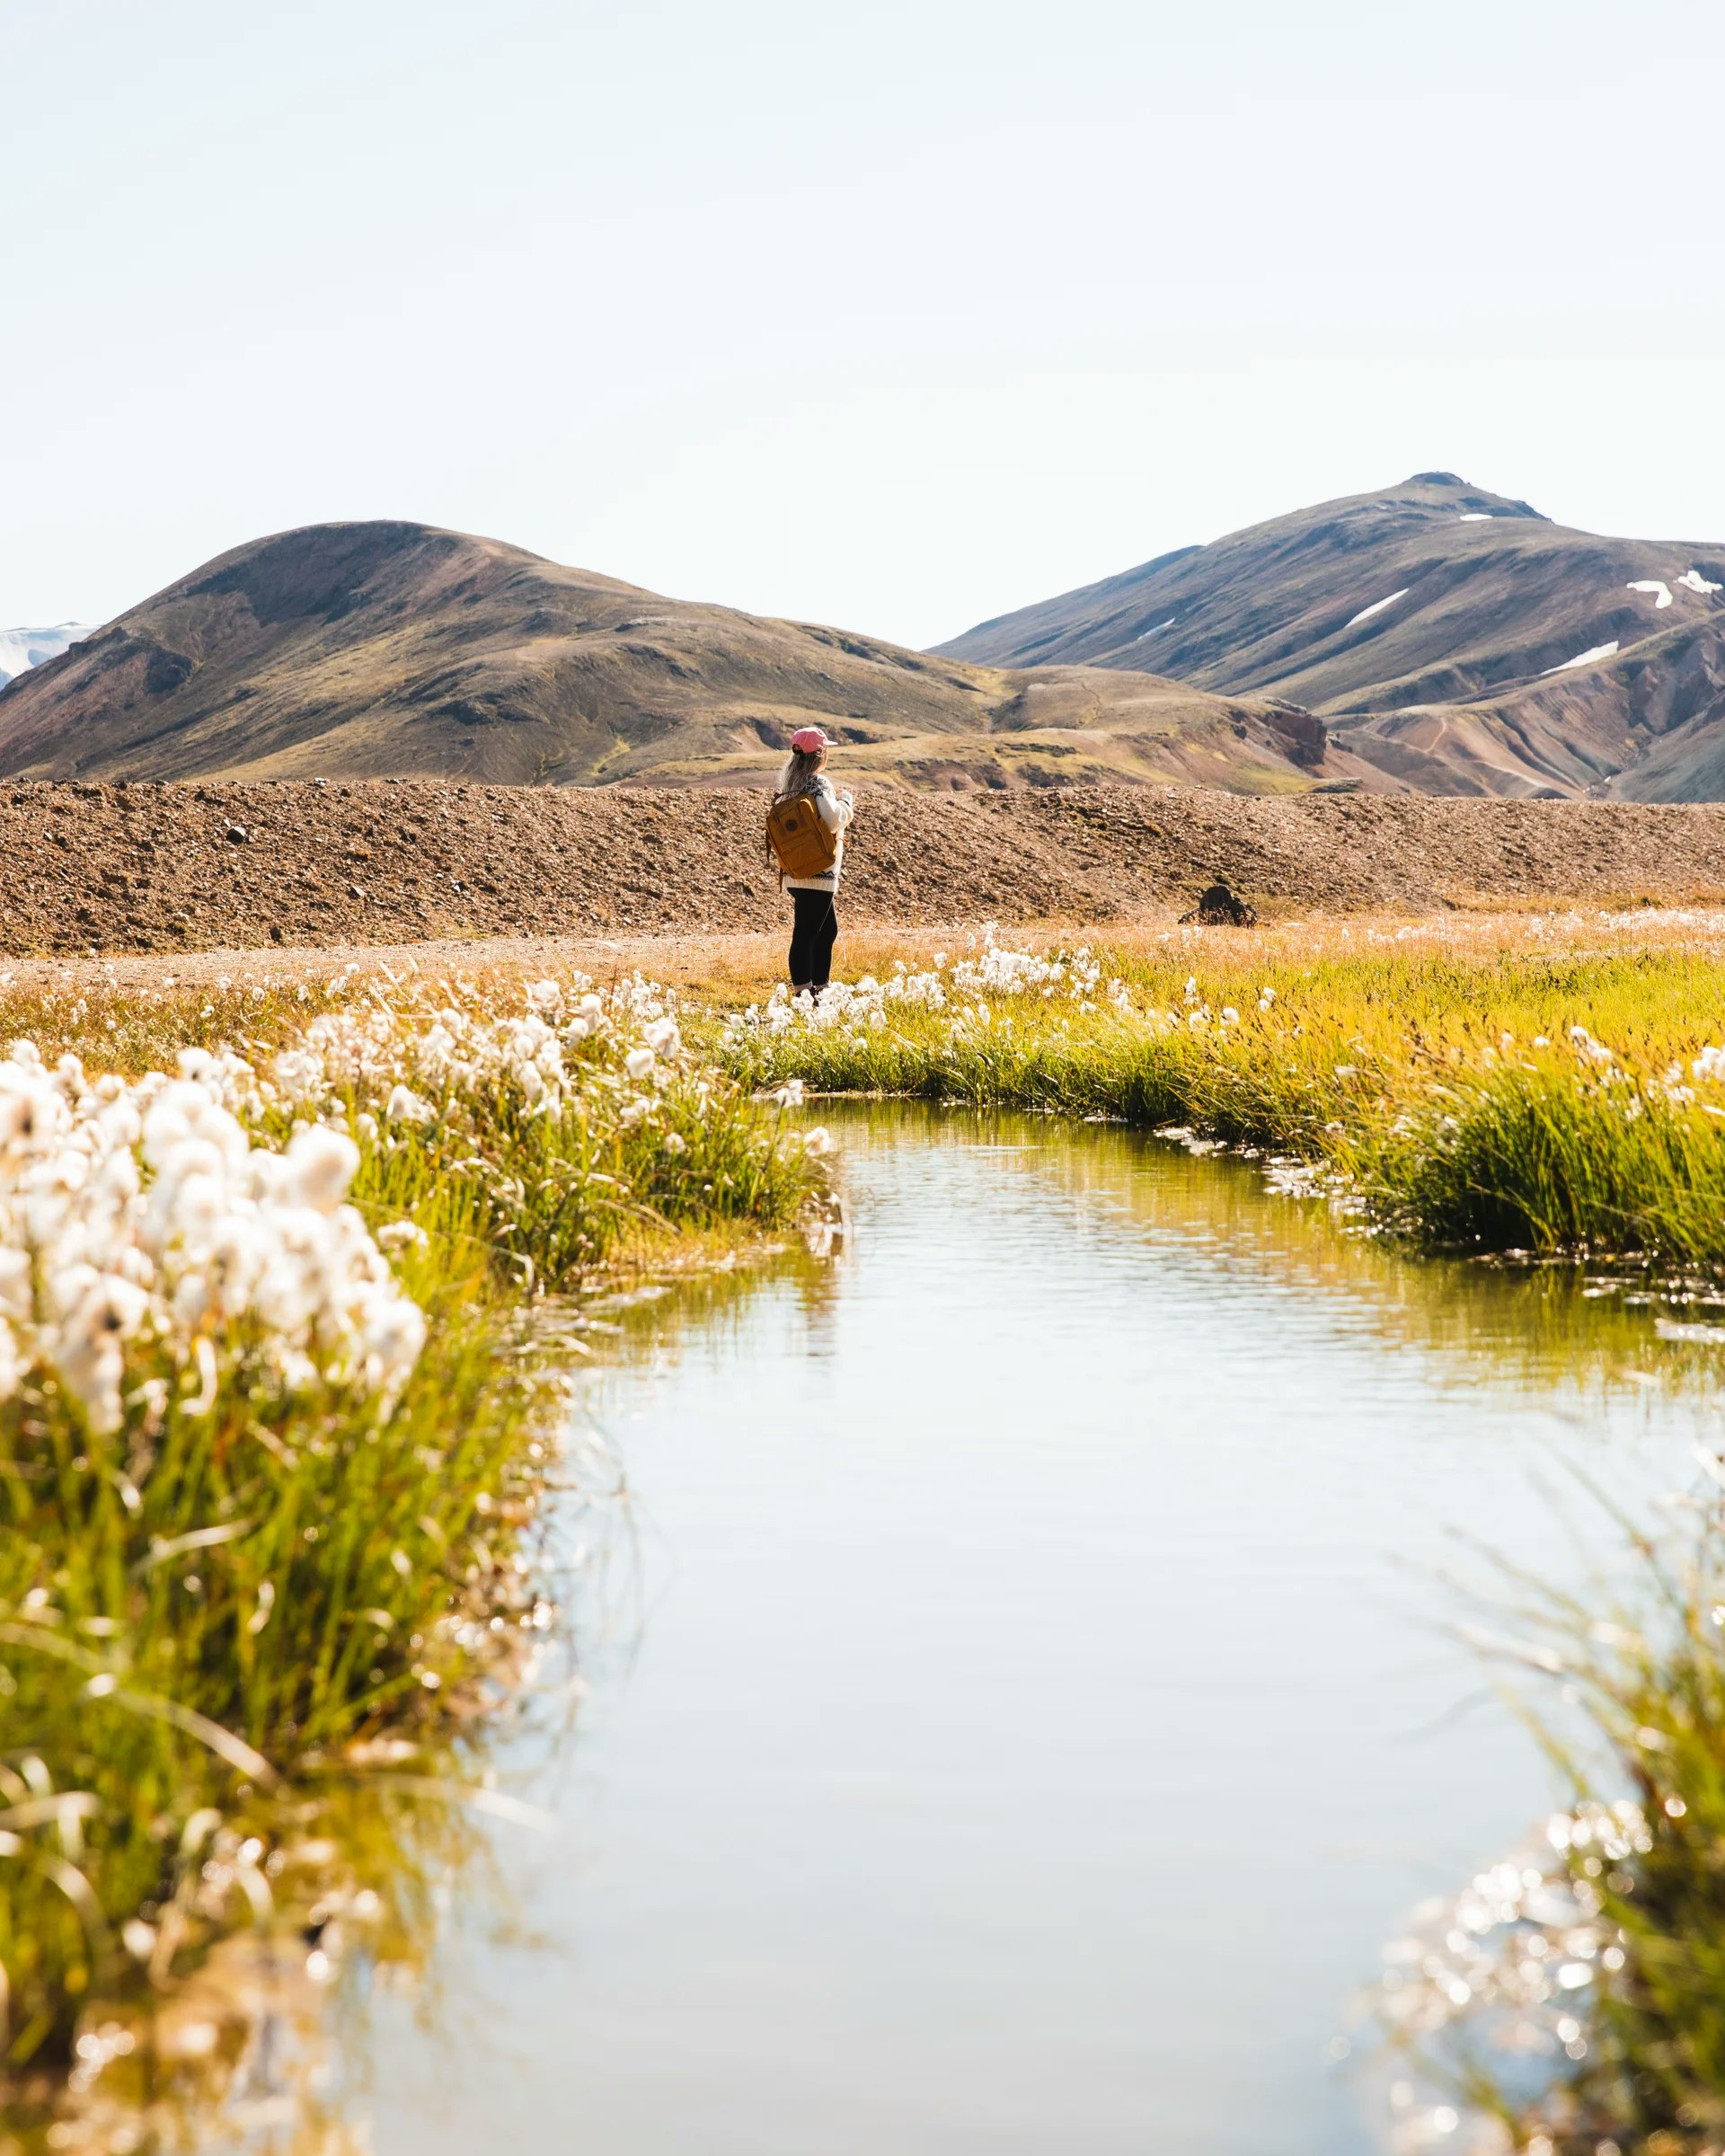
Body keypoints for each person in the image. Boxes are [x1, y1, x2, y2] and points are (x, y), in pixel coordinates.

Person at [775, 725, 854, 998]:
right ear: (820, 753)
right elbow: (833, 820)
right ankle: (805, 992)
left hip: (796, 869)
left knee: (826, 929)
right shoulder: (819, 783)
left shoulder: (789, 783)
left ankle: (821, 985)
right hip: (818, 872)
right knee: (808, 933)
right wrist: (846, 802)